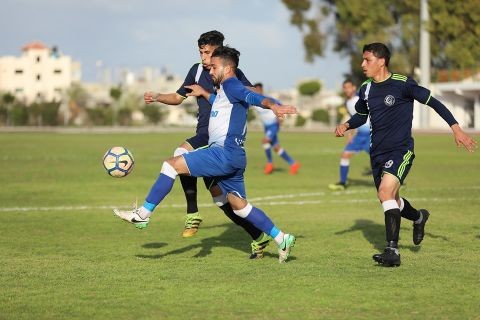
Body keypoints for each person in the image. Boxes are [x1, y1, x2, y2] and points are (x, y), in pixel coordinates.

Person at [115, 46, 297, 262]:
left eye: (214, 67)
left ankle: (142, 215)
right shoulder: (224, 90)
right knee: (238, 207)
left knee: (171, 164)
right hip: (236, 156)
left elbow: (254, 97)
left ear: (228, 68)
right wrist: (204, 94)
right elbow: (223, 106)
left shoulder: (232, 84)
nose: (210, 71)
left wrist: (274, 106)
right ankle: (282, 237)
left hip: (223, 153)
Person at [335, 42, 477, 267]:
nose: (362, 64)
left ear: (381, 61)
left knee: (385, 192)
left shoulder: (403, 84)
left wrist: (456, 128)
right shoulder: (366, 88)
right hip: (377, 154)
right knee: (393, 200)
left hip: (401, 150)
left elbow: (434, 102)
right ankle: (419, 217)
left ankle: (392, 252)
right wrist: (347, 124)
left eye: (367, 60)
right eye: (362, 60)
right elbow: (361, 116)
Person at [144, 30, 270, 259]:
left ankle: (192, 212)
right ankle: (259, 237)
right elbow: (178, 97)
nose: (203, 58)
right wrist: (157, 96)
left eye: (208, 53)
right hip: (204, 134)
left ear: (219, 53)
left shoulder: (231, 72)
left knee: (179, 155)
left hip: (218, 139)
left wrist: (237, 90)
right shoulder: (196, 70)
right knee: (222, 200)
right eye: (201, 52)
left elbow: (253, 93)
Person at [329, 79, 370, 190]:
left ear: (354, 87)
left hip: (371, 134)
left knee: (380, 159)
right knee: (345, 155)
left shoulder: (361, 99)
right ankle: (343, 183)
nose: (347, 90)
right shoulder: (347, 103)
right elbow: (353, 119)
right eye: (345, 88)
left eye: (349, 87)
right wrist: (350, 135)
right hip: (359, 135)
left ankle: (397, 182)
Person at [252, 82, 300, 175]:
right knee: (276, 148)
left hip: (274, 125)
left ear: (262, 90)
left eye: (258, 89)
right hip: (266, 126)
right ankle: (293, 164)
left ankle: (270, 164)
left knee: (265, 141)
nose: (257, 91)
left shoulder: (268, 99)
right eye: (256, 90)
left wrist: (280, 118)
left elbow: (280, 106)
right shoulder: (254, 101)